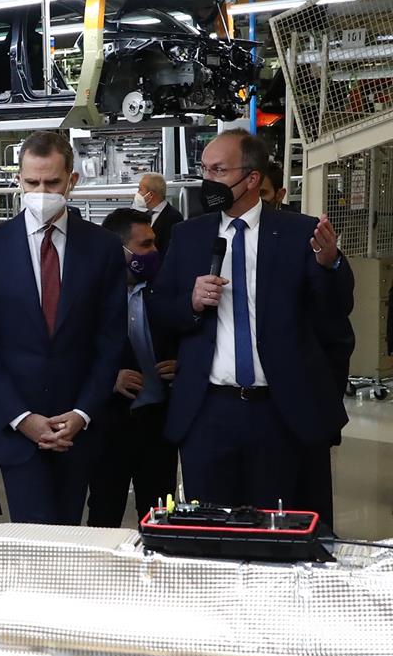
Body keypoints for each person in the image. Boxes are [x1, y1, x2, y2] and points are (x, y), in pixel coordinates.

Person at [148, 129, 353, 517]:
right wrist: (191, 303)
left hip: (279, 409)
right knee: (212, 527)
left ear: (253, 179)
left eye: (219, 170)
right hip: (209, 411)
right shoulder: (188, 235)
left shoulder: (298, 232)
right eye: (204, 170)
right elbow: (159, 310)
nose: (208, 181)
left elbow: (334, 311)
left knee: (277, 527)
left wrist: (330, 266)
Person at [0, 131, 126, 525]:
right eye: (32, 182)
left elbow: (110, 337)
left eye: (52, 182)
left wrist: (83, 411)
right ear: (18, 180)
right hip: (18, 429)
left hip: (79, 429)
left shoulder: (102, 247)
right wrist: (21, 416)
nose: (42, 191)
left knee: (71, 540)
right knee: (31, 544)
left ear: (72, 180)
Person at [85, 208, 178, 527]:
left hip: (158, 422)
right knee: (104, 509)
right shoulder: (89, 297)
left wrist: (183, 365)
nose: (154, 252)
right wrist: (108, 378)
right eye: (145, 245)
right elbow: (71, 354)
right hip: (110, 422)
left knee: (160, 514)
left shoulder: (165, 290)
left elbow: (194, 336)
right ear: (118, 249)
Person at [133, 172, 183, 258]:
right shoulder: (145, 214)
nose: (137, 193)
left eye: (140, 190)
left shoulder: (173, 217)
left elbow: (168, 252)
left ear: (151, 194)